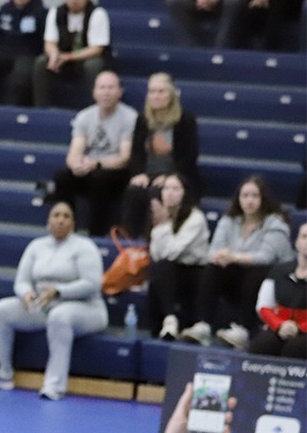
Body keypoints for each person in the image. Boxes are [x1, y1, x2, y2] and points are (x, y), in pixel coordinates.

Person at [0, 202, 107, 401]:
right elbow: (21, 281)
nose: (61, 219)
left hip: (85, 308)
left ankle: (54, 386)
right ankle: (1, 375)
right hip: (42, 306)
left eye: (66, 216)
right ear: (49, 220)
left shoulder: (84, 247)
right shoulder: (36, 246)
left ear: (73, 222)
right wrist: (27, 293)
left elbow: (92, 284)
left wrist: (59, 291)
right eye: (56, 215)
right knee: (3, 309)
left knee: (59, 316)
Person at [181, 177, 294, 349]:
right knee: (213, 268)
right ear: (238, 198)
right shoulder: (229, 220)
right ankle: (202, 325)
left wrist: (233, 256)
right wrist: (221, 256)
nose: (249, 200)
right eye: (245, 195)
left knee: (257, 271)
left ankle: (243, 330)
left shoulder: (276, 223)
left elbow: (266, 257)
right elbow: (212, 252)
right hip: (239, 280)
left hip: (274, 282)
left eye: (255, 196)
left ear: (264, 199)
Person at [49, 71, 136, 237]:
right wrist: (76, 165)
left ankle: (95, 234)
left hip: (116, 171)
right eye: (102, 88)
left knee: (99, 179)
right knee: (62, 176)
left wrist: (97, 164)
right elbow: (74, 152)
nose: (106, 92)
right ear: (94, 92)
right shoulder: (84, 116)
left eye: (111, 88)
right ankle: (66, 229)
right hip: (90, 167)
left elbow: (125, 158)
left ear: (119, 92)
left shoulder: (130, 117)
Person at [119, 73, 200, 235]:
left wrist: (171, 176)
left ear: (171, 94)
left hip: (177, 176)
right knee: (134, 190)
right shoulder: (142, 119)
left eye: (161, 91)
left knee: (157, 192)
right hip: (148, 175)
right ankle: (129, 240)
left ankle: (152, 240)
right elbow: (136, 153)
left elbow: (190, 156)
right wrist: (139, 173)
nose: (156, 96)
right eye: (152, 92)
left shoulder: (185, 120)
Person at [145, 174, 210, 341]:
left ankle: (170, 320)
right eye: (166, 188)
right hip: (171, 271)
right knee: (158, 269)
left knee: (162, 267)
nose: (169, 193)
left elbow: (172, 252)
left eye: (175, 189)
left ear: (184, 193)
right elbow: (156, 254)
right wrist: (160, 226)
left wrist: (163, 225)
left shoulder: (196, 218)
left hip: (195, 272)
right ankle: (167, 322)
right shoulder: (161, 216)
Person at [31, 0, 110, 108]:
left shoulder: (97, 14)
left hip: (85, 58)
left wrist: (68, 57)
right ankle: (41, 107)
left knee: (93, 65)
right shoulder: (56, 12)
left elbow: (97, 48)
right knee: (41, 62)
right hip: (63, 59)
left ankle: (96, 108)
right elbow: (50, 42)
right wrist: (54, 55)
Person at [247, 222, 307, 359]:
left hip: (304, 329)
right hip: (281, 324)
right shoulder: (279, 270)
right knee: (261, 344)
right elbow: (263, 306)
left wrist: (299, 328)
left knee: (295, 348)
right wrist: (279, 325)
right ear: (297, 241)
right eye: (304, 237)